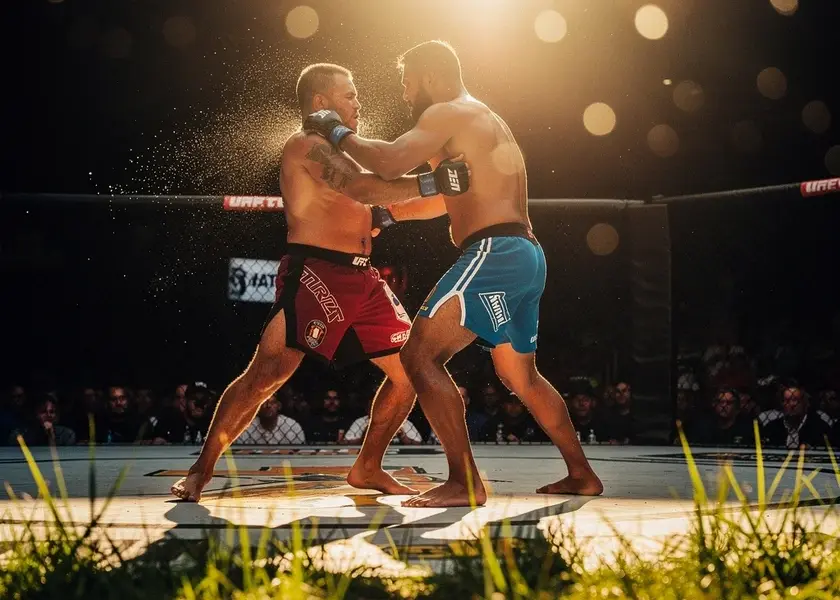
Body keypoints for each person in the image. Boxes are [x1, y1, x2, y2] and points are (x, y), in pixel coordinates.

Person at [304, 41, 603, 507]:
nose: (404, 97)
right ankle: (581, 473)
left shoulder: (447, 112)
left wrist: (337, 132)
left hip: (495, 252)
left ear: (428, 76)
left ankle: (464, 482)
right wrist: (391, 216)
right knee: (521, 377)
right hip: (525, 254)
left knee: (418, 355)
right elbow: (446, 198)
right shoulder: (480, 119)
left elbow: (387, 161)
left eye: (406, 84)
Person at [170, 62, 469, 502]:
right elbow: (367, 190)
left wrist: (456, 185)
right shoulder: (304, 147)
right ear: (321, 102)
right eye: (349, 94)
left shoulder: (350, 156)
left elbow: (405, 202)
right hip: (316, 271)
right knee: (268, 374)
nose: (358, 102)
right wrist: (430, 181)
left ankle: (368, 466)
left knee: (410, 372)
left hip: (363, 277)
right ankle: (201, 471)